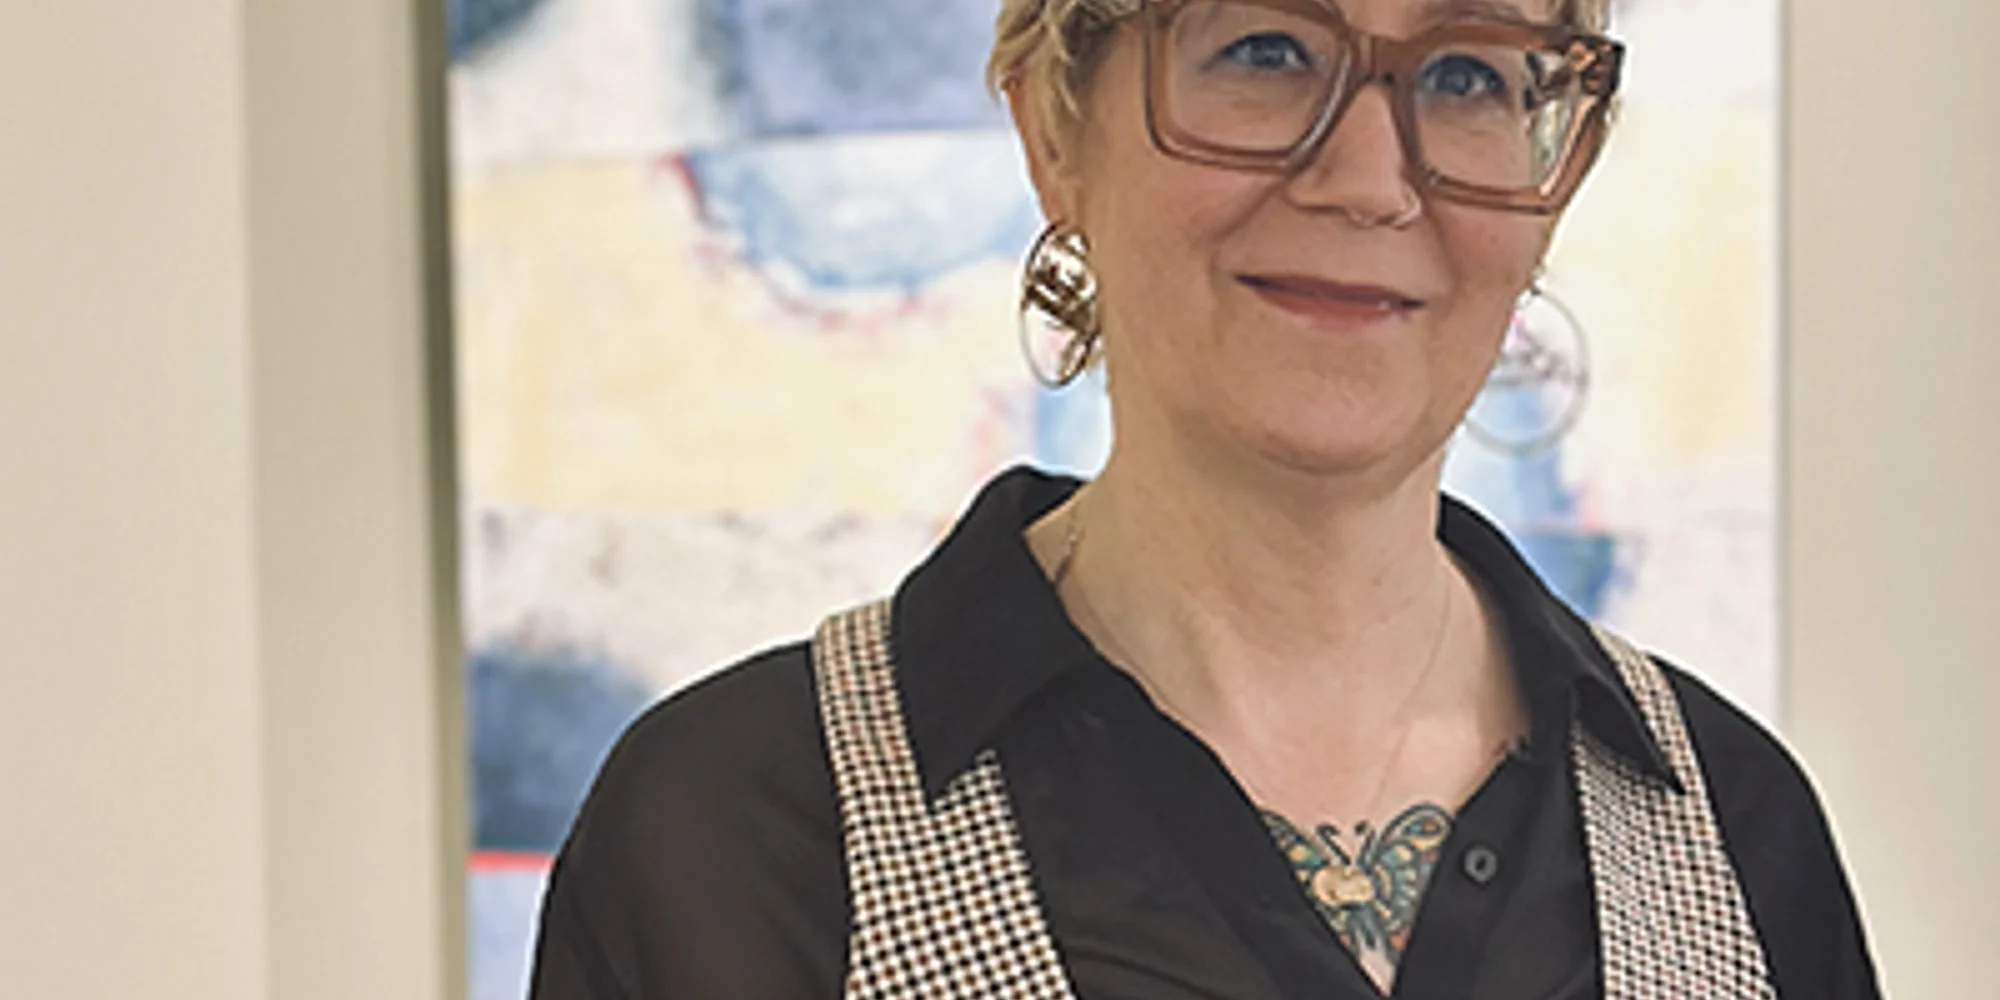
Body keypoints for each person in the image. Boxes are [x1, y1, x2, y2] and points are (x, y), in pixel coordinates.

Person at [529, 0, 1881, 996]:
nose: (1368, 180)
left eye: (1469, 72)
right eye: (1264, 49)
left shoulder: (1740, 832)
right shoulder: (734, 839)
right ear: (1055, 127)